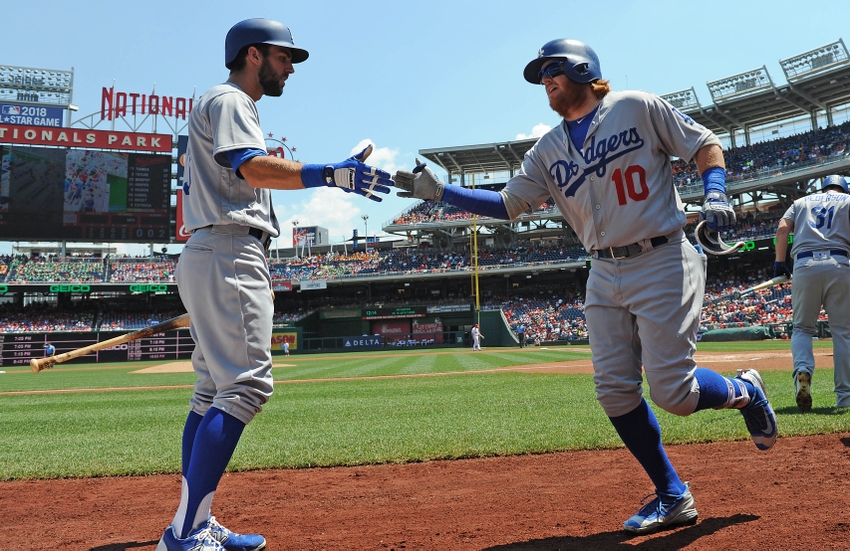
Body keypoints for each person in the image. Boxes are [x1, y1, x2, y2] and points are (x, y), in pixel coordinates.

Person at [395, 38, 777, 535]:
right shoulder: (546, 149)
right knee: (615, 392)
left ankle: (745, 391)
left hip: (661, 256)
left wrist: (717, 190)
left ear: (582, 67)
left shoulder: (635, 106)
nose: (544, 80)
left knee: (673, 394)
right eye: (539, 75)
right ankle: (672, 495)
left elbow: (704, 143)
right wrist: (442, 192)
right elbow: (511, 204)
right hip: (602, 270)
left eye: (551, 69)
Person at [157, 18, 393, 551]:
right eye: (286, 57)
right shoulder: (231, 100)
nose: (291, 67)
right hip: (228, 249)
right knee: (246, 386)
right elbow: (251, 169)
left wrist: (329, 173)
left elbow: (246, 170)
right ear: (254, 55)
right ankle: (187, 532)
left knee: (213, 390)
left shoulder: (222, 104)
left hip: (209, 249)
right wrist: (329, 174)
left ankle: (194, 521)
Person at [774, 174, 850, 412]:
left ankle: (803, 372)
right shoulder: (848, 200)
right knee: (843, 333)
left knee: (803, 328)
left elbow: (782, 228)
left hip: (804, 265)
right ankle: (845, 398)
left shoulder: (801, 202)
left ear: (823, 186)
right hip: (839, 262)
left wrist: (779, 263)